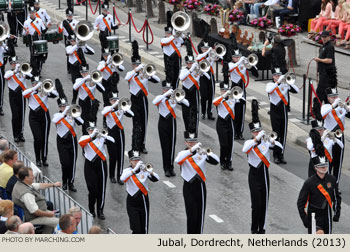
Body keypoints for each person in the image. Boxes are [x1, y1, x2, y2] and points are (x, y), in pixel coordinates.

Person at [242, 100, 283, 234]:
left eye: (259, 130)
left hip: (264, 175)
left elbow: (280, 147)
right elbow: (245, 149)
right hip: (253, 175)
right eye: (255, 132)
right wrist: (256, 140)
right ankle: (254, 229)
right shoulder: (250, 142)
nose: (257, 133)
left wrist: (272, 140)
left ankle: (262, 228)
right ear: (252, 133)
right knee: (256, 205)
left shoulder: (265, 142)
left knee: (264, 204)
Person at [175, 130, 219, 234]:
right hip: (188, 187)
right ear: (186, 142)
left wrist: (209, 153)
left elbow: (216, 161)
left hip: (200, 186)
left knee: (200, 215)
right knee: (191, 216)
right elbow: (178, 160)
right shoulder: (183, 153)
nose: (192, 143)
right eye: (190, 142)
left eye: (194, 142)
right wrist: (191, 150)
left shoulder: (201, 153)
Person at [78, 102, 114, 220]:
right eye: (90, 129)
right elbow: (82, 143)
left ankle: (100, 210)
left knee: (101, 189)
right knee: (92, 189)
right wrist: (91, 136)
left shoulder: (101, 138)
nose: (92, 131)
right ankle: (91, 208)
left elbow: (112, 141)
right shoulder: (85, 138)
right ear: (87, 130)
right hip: (90, 165)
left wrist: (103, 136)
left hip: (101, 165)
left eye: (93, 129)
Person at [124, 40, 160, 154]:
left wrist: (148, 73)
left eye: (138, 64)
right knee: (136, 123)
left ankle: (142, 145)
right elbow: (126, 78)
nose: (137, 66)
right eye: (135, 64)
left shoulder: (144, 74)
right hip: (134, 100)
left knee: (144, 122)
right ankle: (135, 144)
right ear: (132, 65)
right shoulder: (131, 74)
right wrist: (136, 70)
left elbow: (157, 80)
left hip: (143, 100)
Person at [52, 81, 84, 192]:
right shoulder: (58, 115)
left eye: (65, 106)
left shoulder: (72, 115)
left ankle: (71, 183)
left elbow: (82, 121)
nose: (64, 107)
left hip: (72, 140)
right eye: (62, 106)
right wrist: (65, 112)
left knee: (73, 162)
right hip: (62, 141)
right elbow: (55, 120)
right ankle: (64, 180)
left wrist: (74, 114)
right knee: (65, 163)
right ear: (59, 107)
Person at [297, 155, 341, 234]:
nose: (324, 168)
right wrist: (306, 220)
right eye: (321, 166)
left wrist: (337, 212)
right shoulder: (309, 183)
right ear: (315, 168)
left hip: (327, 214)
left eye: (325, 165)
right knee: (319, 235)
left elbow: (336, 197)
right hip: (314, 214)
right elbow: (300, 203)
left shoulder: (332, 179)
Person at [153, 82, 189, 177]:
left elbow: (187, 104)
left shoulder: (173, 98)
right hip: (162, 122)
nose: (167, 90)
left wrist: (179, 97)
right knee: (165, 146)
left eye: (168, 89)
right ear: (163, 89)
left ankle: (171, 167)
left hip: (172, 122)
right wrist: (165, 94)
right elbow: (154, 101)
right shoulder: (160, 98)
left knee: (172, 146)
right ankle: (166, 168)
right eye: (165, 88)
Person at [12, 167, 61, 234]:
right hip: (32, 218)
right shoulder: (26, 194)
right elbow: (34, 211)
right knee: (59, 223)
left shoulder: (21, 183)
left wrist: (53, 185)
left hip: (35, 214)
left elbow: (39, 185)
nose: (33, 177)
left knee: (52, 217)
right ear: (26, 178)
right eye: (32, 175)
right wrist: (48, 214)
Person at [120, 150, 160, 234]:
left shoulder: (144, 170)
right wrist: (134, 170)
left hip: (143, 201)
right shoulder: (127, 171)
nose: (136, 162)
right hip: (132, 201)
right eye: (134, 160)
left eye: (138, 159)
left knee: (144, 228)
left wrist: (150, 172)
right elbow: (122, 178)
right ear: (130, 161)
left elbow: (157, 178)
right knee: (136, 228)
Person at [23, 77, 58, 167]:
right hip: (34, 117)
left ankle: (44, 158)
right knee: (38, 138)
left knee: (44, 138)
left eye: (37, 83)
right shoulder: (30, 92)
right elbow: (24, 93)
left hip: (45, 116)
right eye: (34, 83)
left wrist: (47, 89)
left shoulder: (44, 91)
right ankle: (38, 158)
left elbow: (55, 94)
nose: (36, 85)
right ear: (32, 84)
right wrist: (35, 88)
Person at [266, 68, 299, 164]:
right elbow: (269, 90)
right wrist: (278, 82)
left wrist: (289, 83)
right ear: (273, 77)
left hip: (283, 110)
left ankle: (281, 154)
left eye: (279, 75)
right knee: (276, 134)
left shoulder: (285, 84)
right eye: (276, 75)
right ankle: (276, 155)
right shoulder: (271, 84)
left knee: (283, 134)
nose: (278, 77)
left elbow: (296, 90)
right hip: (274, 111)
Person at [102, 91, 133, 184]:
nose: (115, 101)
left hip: (120, 133)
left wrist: (124, 108)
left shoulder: (121, 108)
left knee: (120, 156)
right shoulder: (108, 108)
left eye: (116, 99)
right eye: (113, 100)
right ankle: (111, 175)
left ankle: (119, 175)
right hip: (110, 133)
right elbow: (104, 112)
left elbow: (132, 114)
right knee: (113, 156)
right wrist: (114, 105)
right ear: (110, 101)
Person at [321, 87, 350, 186]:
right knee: (329, 161)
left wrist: (346, 108)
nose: (335, 98)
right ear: (328, 98)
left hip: (339, 135)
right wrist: (333, 105)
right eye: (333, 97)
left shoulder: (341, 106)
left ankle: (336, 185)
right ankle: (328, 184)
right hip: (328, 136)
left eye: (336, 96)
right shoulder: (325, 107)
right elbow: (322, 114)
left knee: (338, 162)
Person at [4, 56, 32, 143]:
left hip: (21, 94)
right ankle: (15, 134)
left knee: (21, 115)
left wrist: (23, 70)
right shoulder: (10, 72)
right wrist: (15, 71)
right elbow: (6, 76)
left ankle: (21, 133)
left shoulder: (22, 71)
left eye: (15, 63)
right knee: (15, 115)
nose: (14, 64)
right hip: (13, 95)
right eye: (12, 63)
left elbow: (30, 76)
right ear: (10, 64)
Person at [213, 82, 238, 171]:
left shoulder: (233, 98)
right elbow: (214, 102)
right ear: (221, 91)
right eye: (223, 90)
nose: (225, 91)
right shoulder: (219, 99)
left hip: (230, 122)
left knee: (230, 143)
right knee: (224, 144)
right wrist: (224, 96)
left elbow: (240, 99)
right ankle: (223, 161)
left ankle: (229, 161)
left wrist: (232, 95)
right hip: (221, 123)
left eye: (227, 90)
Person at [73, 64, 104, 135]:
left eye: (86, 72)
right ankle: (85, 137)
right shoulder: (79, 80)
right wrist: (85, 79)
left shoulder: (92, 80)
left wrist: (95, 81)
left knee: (92, 121)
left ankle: (92, 137)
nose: (85, 74)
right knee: (84, 123)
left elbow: (103, 90)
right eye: (83, 73)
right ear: (80, 73)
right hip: (82, 103)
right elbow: (75, 87)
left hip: (91, 103)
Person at [97, 48, 125, 127]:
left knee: (115, 103)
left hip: (113, 85)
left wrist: (117, 64)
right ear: (103, 56)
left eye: (107, 55)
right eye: (105, 55)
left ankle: (115, 120)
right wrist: (107, 62)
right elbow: (99, 70)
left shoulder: (113, 61)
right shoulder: (102, 63)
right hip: (105, 85)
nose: (106, 56)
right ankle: (105, 122)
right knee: (106, 104)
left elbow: (122, 69)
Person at [66, 35, 93, 105]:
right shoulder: (69, 47)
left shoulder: (82, 47)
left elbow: (93, 52)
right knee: (76, 84)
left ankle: (84, 98)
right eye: (71, 41)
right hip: (74, 69)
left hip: (82, 68)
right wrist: (77, 45)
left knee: (84, 83)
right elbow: (69, 52)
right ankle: (74, 99)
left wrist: (84, 44)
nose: (73, 42)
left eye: (74, 40)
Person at [228, 49, 248, 140]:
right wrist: (240, 61)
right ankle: (234, 131)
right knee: (235, 110)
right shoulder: (231, 64)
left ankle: (240, 132)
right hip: (234, 87)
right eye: (236, 57)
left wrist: (247, 62)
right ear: (232, 58)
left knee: (242, 110)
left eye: (239, 56)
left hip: (242, 87)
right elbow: (231, 68)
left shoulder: (242, 63)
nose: (237, 58)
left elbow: (251, 68)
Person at [179, 55, 201, 134]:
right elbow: (181, 78)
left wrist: (199, 69)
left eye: (191, 63)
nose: (190, 64)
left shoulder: (196, 69)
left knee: (195, 112)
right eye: (188, 63)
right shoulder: (184, 70)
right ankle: (187, 130)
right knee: (186, 113)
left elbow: (205, 76)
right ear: (186, 63)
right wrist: (191, 70)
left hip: (194, 92)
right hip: (186, 93)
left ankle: (194, 131)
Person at [22, 7, 47, 77]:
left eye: (34, 12)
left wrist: (47, 27)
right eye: (31, 12)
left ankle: (39, 71)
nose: (32, 14)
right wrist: (26, 32)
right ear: (29, 13)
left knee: (40, 56)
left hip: (39, 39)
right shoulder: (26, 22)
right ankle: (34, 71)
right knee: (33, 56)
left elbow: (43, 30)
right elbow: (23, 34)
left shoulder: (39, 20)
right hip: (31, 39)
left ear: (35, 12)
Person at [313, 31, 336, 104]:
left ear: (329, 37)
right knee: (327, 93)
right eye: (323, 37)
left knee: (320, 92)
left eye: (325, 37)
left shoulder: (330, 46)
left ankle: (316, 110)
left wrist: (319, 60)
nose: (324, 38)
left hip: (327, 73)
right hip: (323, 72)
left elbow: (329, 60)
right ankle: (327, 109)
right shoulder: (323, 46)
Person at [196, 42, 216, 121]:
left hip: (210, 75)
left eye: (206, 49)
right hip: (202, 76)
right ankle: (203, 112)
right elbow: (198, 59)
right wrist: (208, 51)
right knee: (203, 96)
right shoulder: (199, 56)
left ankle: (209, 112)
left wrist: (213, 51)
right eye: (204, 49)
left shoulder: (210, 56)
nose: (205, 50)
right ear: (201, 49)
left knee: (211, 95)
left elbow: (216, 58)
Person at [59, 8, 79, 74]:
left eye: (71, 15)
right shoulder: (63, 22)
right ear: (66, 15)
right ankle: (69, 69)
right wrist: (59, 27)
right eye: (68, 15)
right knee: (69, 53)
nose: (70, 17)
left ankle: (75, 67)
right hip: (67, 39)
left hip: (74, 39)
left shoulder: (76, 22)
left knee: (76, 53)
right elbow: (60, 31)